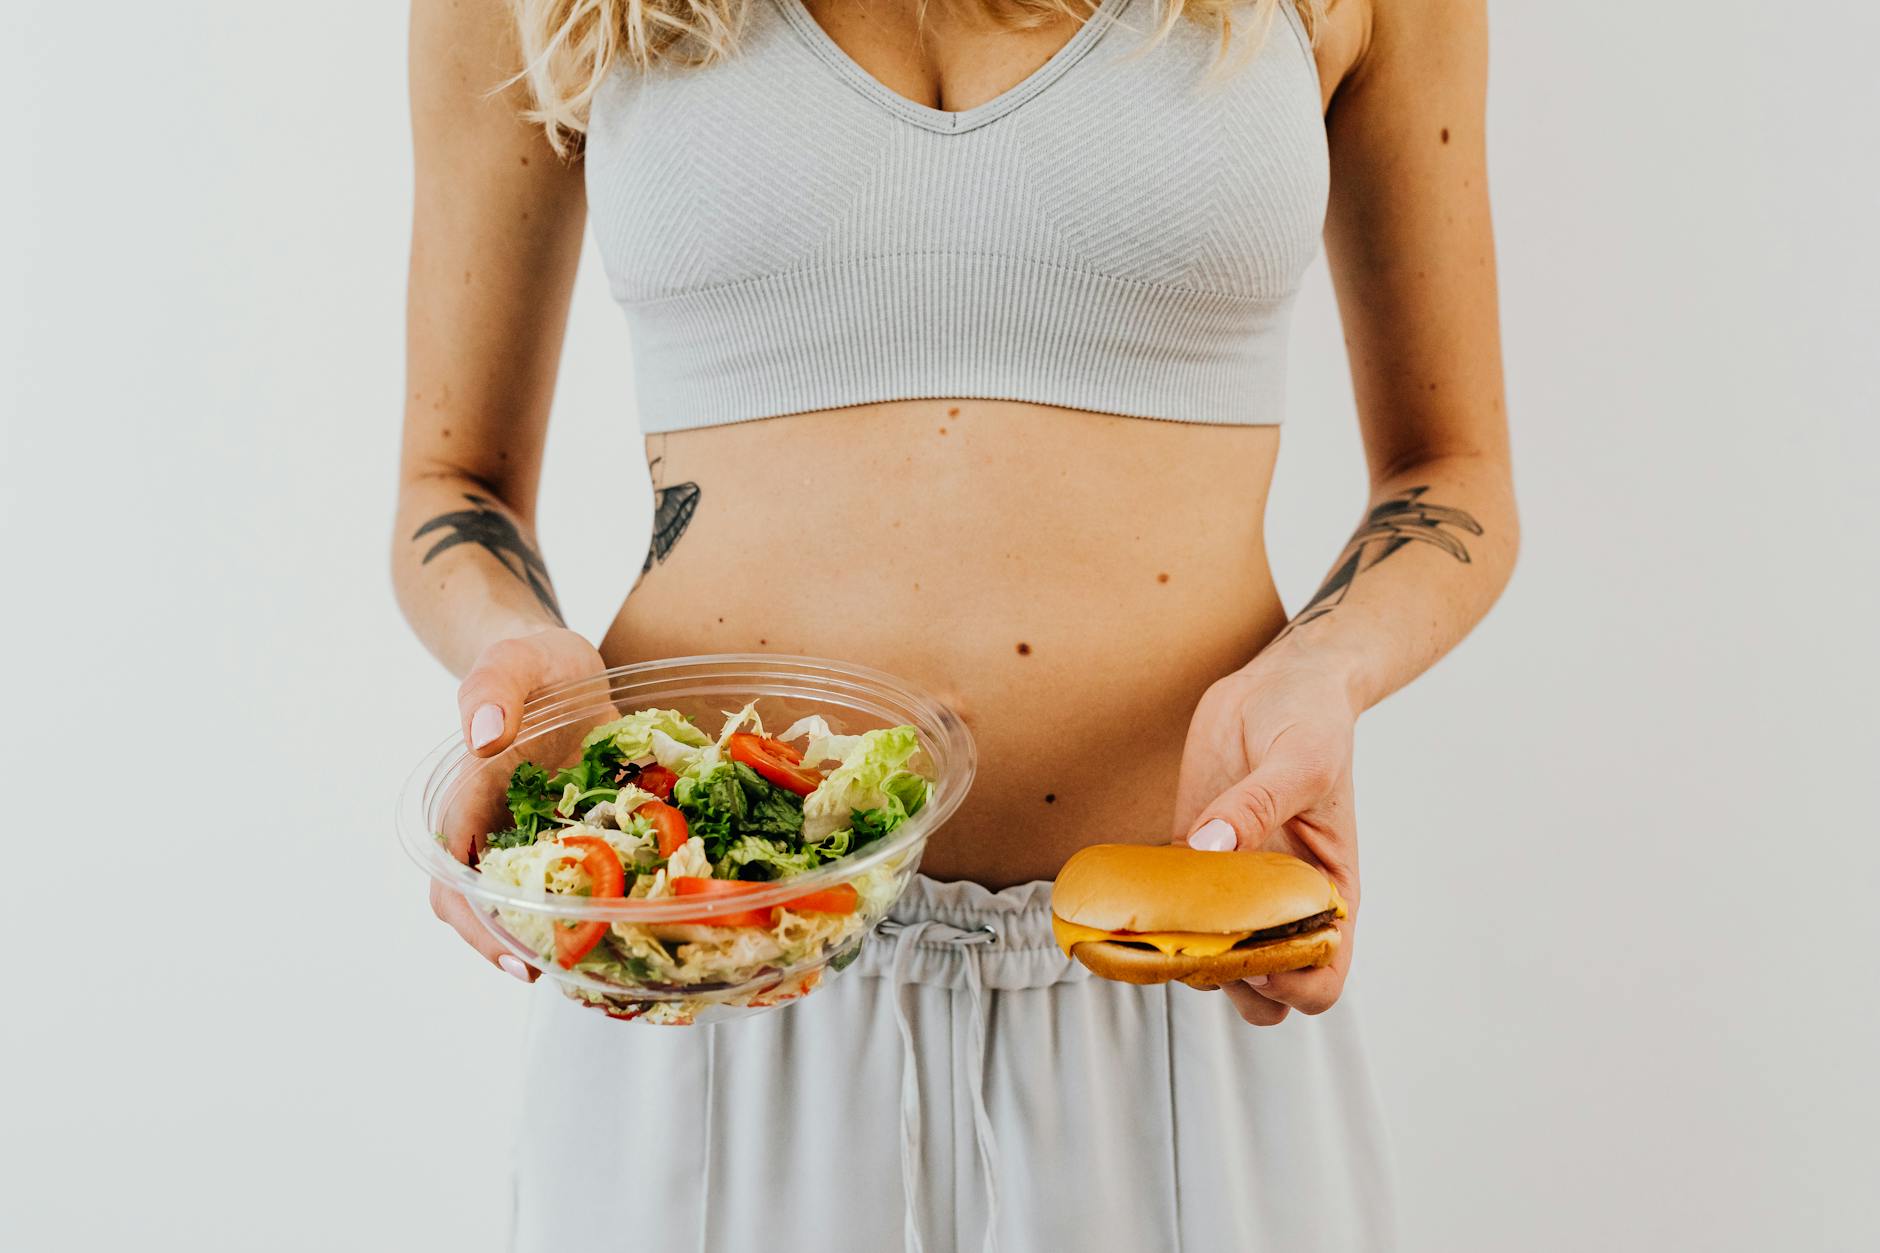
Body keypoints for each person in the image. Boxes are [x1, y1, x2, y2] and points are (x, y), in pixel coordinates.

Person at [393, 0, 1515, 1246]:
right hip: (710, 980)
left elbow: (1448, 467)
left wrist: (1324, 670)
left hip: (1174, 959)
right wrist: (520, 666)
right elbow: (456, 485)